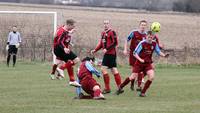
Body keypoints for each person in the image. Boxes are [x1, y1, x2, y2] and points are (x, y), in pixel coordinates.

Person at [116, 31, 169, 97]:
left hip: (147, 64)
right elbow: (134, 53)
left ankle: (143, 93)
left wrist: (164, 55)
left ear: (153, 37)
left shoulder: (154, 43)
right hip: (139, 64)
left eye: (151, 37)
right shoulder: (142, 43)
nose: (150, 38)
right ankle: (120, 87)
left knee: (152, 77)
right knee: (132, 77)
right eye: (148, 37)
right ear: (146, 37)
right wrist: (140, 59)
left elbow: (158, 51)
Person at [91, 20, 122, 94]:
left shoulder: (112, 32)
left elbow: (115, 43)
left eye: (107, 23)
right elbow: (101, 44)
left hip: (110, 54)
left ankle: (107, 88)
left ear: (109, 24)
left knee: (103, 68)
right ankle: (120, 87)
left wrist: (107, 49)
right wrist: (95, 50)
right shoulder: (103, 33)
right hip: (108, 54)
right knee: (113, 70)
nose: (105, 25)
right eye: (104, 23)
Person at [53, 19, 80, 87]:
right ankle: (61, 69)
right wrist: (64, 48)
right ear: (68, 25)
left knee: (70, 63)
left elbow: (60, 38)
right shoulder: (62, 31)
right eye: (73, 26)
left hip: (59, 49)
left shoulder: (63, 29)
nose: (73, 28)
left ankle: (72, 81)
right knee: (76, 60)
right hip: (60, 49)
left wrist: (69, 42)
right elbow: (59, 41)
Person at [123, 20, 147, 91]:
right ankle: (132, 84)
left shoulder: (146, 35)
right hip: (133, 54)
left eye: (144, 25)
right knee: (134, 71)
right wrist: (125, 49)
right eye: (142, 25)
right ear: (139, 25)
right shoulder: (134, 33)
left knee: (140, 71)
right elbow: (126, 40)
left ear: (146, 26)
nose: (143, 26)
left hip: (141, 55)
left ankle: (139, 86)